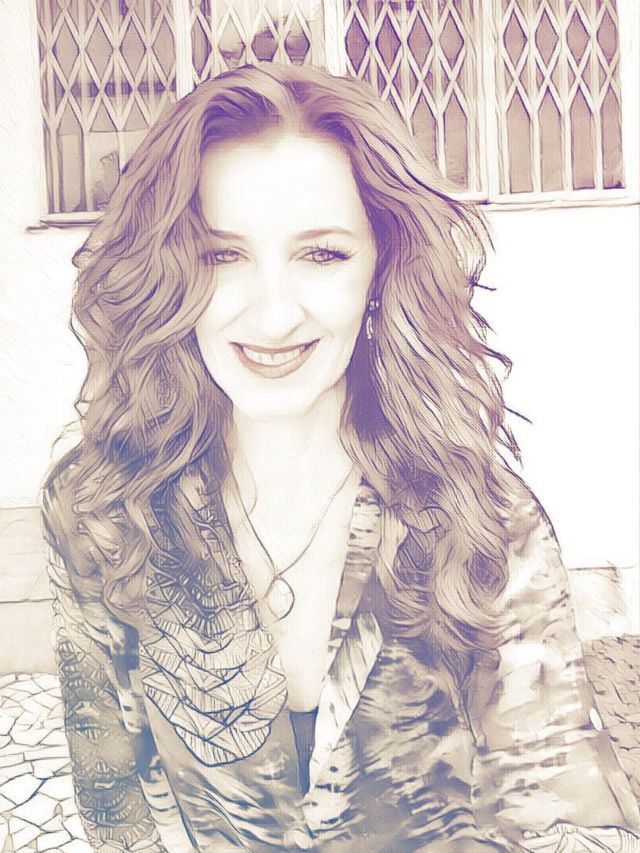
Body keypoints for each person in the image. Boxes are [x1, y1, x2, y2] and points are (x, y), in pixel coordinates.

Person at [41, 62, 640, 852]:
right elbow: (116, 804)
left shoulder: (482, 520)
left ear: (380, 268)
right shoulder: (103, 514)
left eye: (321, 254)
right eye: (221, 256)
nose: (273, 314)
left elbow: (563, 818)